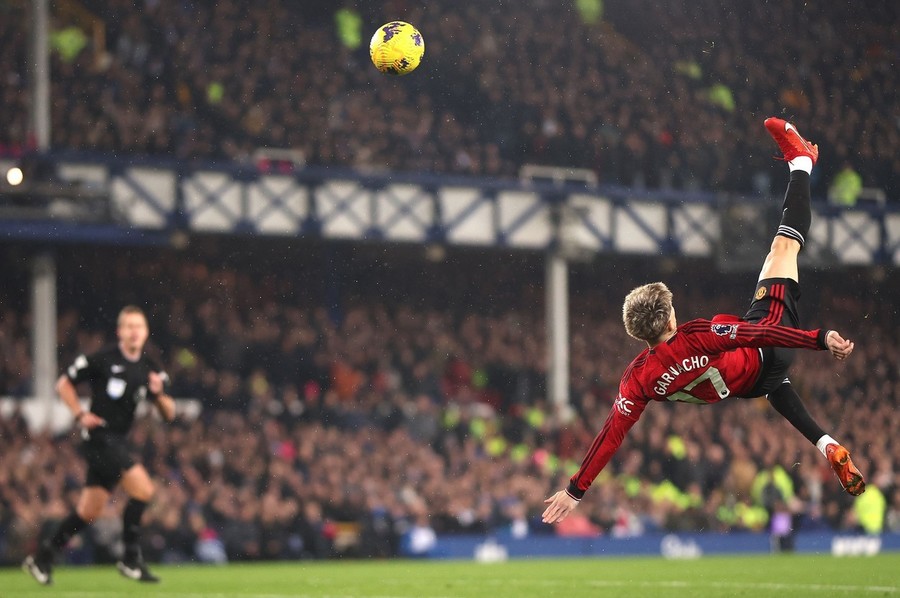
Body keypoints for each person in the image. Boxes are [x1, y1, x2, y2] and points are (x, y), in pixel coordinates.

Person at [543, 117, 865, 525]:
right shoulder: (696, 336)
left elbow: (611, 434)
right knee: (782, 248)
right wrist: (819, 338)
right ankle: (801, 162)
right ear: (671, 316)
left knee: (777, 387)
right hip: (768, 346)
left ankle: (827, 444)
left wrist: (575, 489)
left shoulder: (638, 378)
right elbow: (757, 331)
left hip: (750, 385)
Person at [23, 306, 175, 585]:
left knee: (88, 511)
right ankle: (131, 559)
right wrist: (80, 415)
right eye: (128, 327)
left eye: (138, 327)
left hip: (118, 440)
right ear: (120, 332)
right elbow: (63, 384)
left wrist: (159, 394)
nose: (134, 332)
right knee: (144, 490)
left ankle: (42, 557)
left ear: (146, 332)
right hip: (99, 439)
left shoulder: (150, 368)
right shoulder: (102, 359)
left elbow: (169, 413)